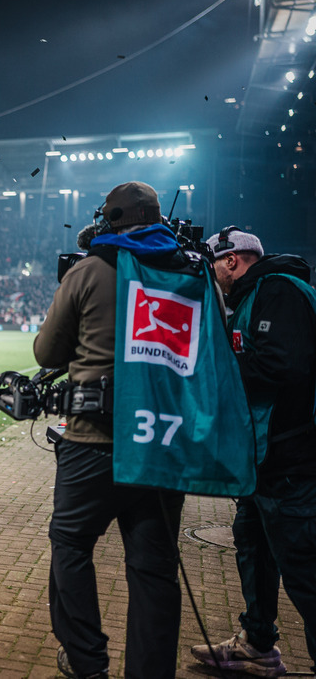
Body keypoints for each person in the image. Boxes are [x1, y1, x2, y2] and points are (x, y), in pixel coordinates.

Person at [33, 181, 214, 678]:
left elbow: (47, 355)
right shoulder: (194, 274)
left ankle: (87, 662)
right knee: (154, 569)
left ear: (111, 219)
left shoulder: (90, 269)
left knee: (70, 543)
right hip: (161, 441)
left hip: (93, 441)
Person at [189, 228, 316, 677]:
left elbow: (285, 367)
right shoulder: (252, 294)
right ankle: (258, 644)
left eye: (214, 266)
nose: (213, 276)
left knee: (304, 571)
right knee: (254, 547)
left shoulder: (279, 290)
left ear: (231, 261)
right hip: (265, 464)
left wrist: (220, 364)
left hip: (293, 463)